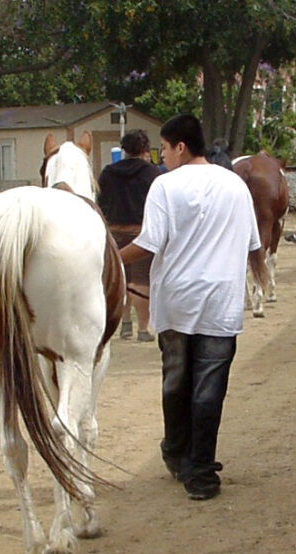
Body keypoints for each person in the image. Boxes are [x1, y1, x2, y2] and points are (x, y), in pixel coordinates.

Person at [119, 113, 263, 501]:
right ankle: (201, 473)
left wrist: (109, 260)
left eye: (164, 149)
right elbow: (254, 246)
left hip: (177, 302)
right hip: (220, 302)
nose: (161, 157)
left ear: (180, 146)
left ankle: (176, 453)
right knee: (209, 387)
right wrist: (262, 279)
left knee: (176, 380)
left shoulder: (165, 186)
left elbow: (148, 244)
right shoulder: (235, 185)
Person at [98, 129, 162, 342]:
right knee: (142, 280)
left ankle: (125, 324)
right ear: (145, 149)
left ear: (123, 149)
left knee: (121, 280)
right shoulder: (152, 173)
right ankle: (143, 329)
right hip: (141, 232)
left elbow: (101, 201)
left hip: (114, 231)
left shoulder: (108, 172)